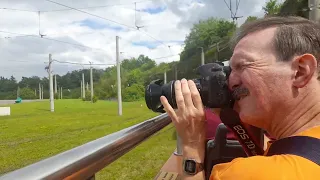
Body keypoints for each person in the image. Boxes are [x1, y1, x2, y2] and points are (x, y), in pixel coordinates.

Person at [160, 16, 320, 180]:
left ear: (300, 71)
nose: (230, 82)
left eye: (241, 66)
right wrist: (232, 117)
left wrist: (191, 145)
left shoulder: (248, 174)